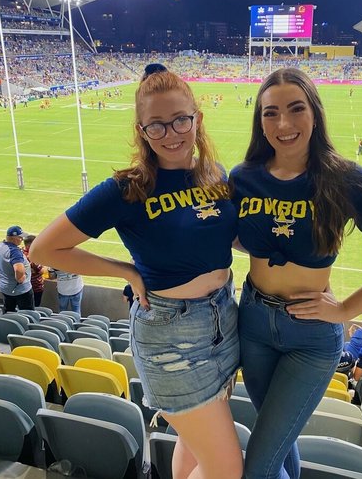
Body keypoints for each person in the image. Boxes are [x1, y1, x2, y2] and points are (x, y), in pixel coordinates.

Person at [30, 65, 242, 479]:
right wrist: (125, 270)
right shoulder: (127, 188)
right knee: (226, 469)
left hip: (223, 319)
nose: (171, 133)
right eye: (157, 125)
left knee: (194, 447)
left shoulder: (215, 174)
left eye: (181, 120)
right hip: (170, 336)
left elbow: (229, 239)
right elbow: (44, 248)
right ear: (142, 131)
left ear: (197, 118)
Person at [229, 68, 362, 479]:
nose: (283, 123)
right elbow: (234, 236)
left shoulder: (345, 179)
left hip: (311, 336)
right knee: (279, 445)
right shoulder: (243, 178)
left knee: (258, 466)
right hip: (254, 323)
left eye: (296, 108)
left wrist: (346, 310)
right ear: (260, 121)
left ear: (315, 114)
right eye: (271, 112)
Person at [0, 226, 34, 312]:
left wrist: (0, 269)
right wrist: (21, 279)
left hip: (4, 287)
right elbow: (18, 269)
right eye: (20, 237)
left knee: (8, 311)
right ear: (14, 238)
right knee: (27, 313)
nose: (22, 239)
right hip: (20, 290)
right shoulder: (14, 251)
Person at [23, 235, 46, 306]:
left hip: (24, 286)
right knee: (35, 306)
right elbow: (42, 271)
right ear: (30, 245)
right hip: (35, 286)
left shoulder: (20, 252)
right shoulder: (32, 257)